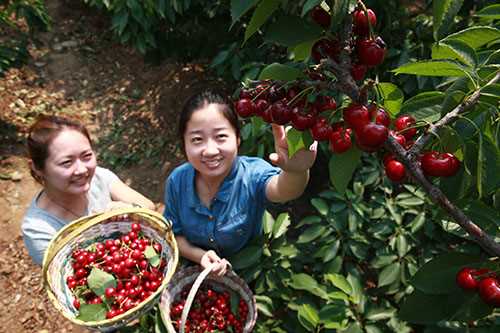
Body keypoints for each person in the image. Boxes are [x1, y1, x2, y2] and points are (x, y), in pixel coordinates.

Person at [163, 90, 317, 276]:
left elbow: (284, 189)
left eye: (221, 136)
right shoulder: (177, 181)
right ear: (184, 145)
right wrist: (200, 256)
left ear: (237, 138)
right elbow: (174, 233)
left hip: (247, 269)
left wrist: (296, 171)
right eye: (197, 140)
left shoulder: (252, 175)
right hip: (195, 270)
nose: (210, 150)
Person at [22, 115, 155, 266]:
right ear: (38, 168)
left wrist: (131, 210)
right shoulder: (39, 229)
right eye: (66, 162)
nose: (82, 169)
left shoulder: (99, 177)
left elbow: (149, 206)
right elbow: (69, 280)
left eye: (86, 156)